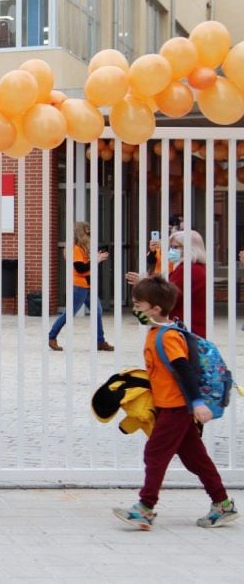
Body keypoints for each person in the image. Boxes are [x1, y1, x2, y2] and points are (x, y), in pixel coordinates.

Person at [113, 275, 238, 530]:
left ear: (156, 309)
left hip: (177, 407)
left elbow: (184, 369)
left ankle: (145, 508)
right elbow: (164, 366)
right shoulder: (158, 329)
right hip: (170, 405)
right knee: (196, 458)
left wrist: (196, 402)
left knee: (155, 453)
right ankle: (223, 504)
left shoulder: (168, 336)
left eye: (139, 304)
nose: (135, 308)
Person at [127, 229, 207, 338]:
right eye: (171, 247)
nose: (171, 251)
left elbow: (167, 294)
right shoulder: (196, 268)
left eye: (175, 247)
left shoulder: (189, 269)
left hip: (186, 329)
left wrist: (144, 283)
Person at [47, 221, 113, 352]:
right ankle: (51, 337)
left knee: (97, 312)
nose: (90, 234)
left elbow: (87, 267)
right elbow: (81, 269)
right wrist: (96, 260)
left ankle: (100, 341)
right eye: (87, 231)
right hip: (79, 287)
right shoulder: (76, 249)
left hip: (88, 286)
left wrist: (96, 258)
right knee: (68, 314)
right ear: (82, 232)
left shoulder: (83, 248)